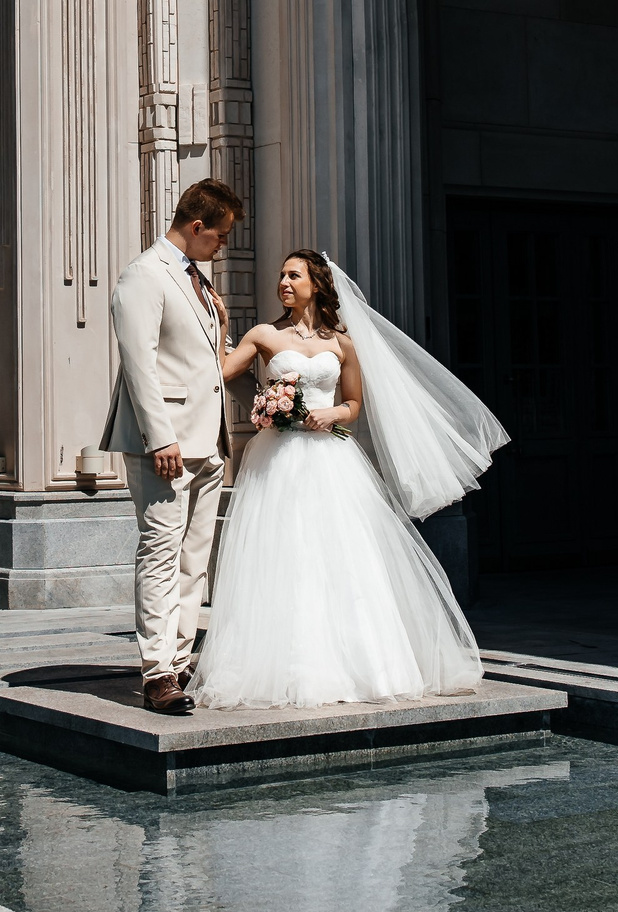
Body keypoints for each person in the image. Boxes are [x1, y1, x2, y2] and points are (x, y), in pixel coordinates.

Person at [191, 249, 506, 710]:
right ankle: (278, 666)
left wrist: (331, 413)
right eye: (280, 275)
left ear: (315, 284)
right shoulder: (263, 335)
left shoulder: (343, 344)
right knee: (282, 555)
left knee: (341, 556)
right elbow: (220, 373)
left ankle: (363, 665)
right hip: (277, 459)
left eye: (292, 275)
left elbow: (354, 405)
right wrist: (220, 324)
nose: (282, 282)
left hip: (331, 459)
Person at [101, 178, 246, 715]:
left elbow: (208, 361)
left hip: (209, 442)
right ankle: (157, 672)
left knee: (194, 559)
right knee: (160, 552)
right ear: (196, 225)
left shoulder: (200, 283)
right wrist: (159, 435)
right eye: (221, 236)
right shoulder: (144, 275)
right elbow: (138, 362)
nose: (223, 246)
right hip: (164, 443)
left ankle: (181, 660)